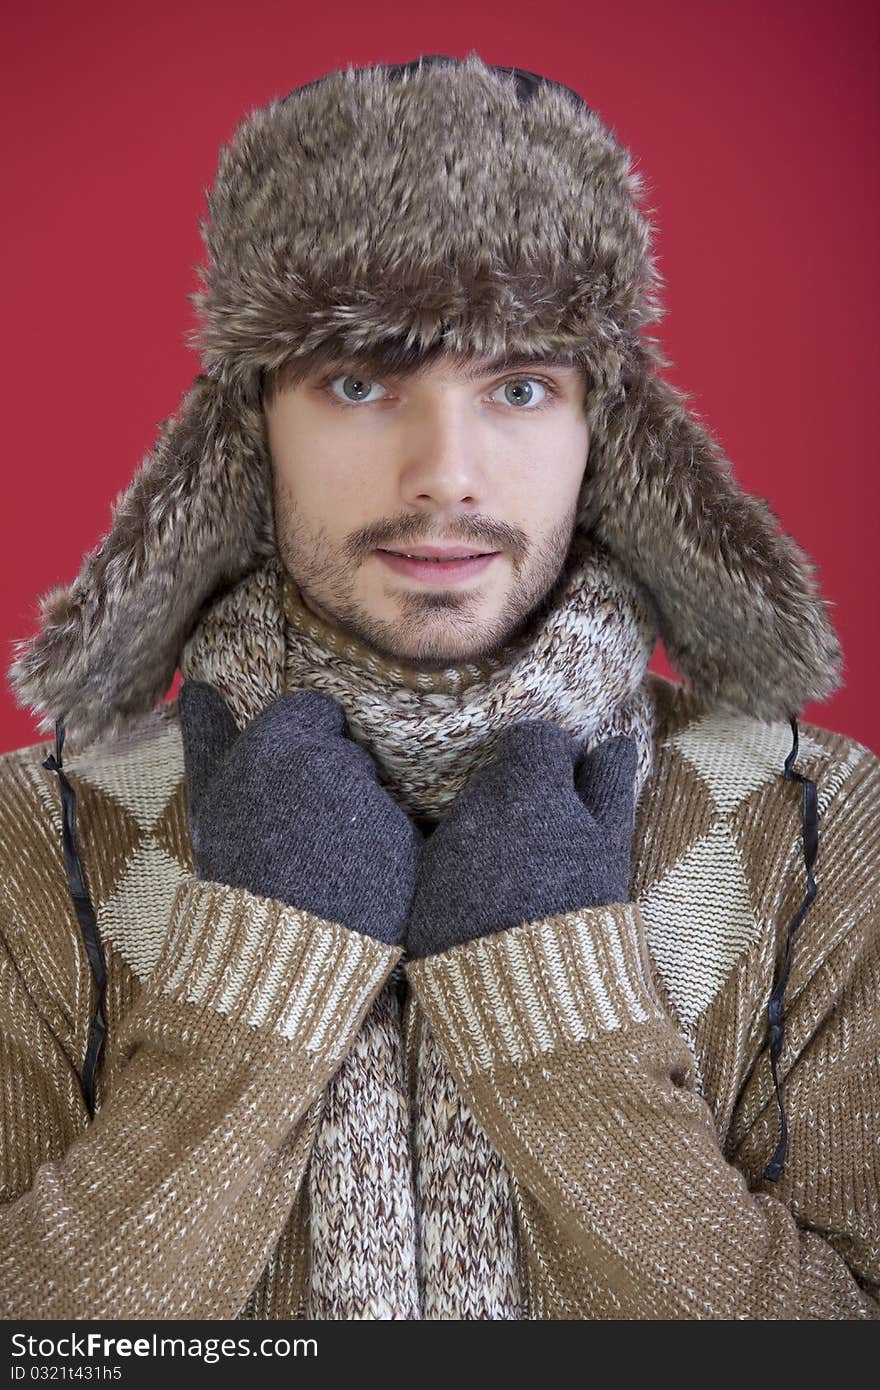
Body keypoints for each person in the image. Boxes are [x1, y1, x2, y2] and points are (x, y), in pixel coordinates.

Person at [0, 52, 877, 1322]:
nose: (444, 474)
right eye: (359, 383)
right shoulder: (36, 841)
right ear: (249, 427)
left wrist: (558, 1021)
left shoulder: (820, 835)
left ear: (606, 436)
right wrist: (255, 990)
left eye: (520, 386)